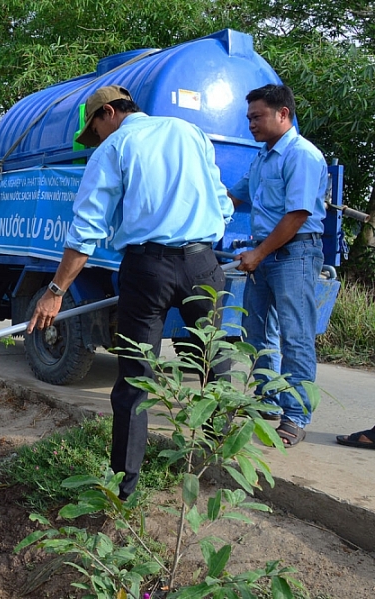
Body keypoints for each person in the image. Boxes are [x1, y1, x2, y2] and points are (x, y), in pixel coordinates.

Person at [26, 86, 234, 499]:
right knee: (214, 362)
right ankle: (215, 463)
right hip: (202, 264)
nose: (97, 139)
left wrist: (55, 290)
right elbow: (221, 201)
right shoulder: (188, 131)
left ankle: (126, 487)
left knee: (136, 377)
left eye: (95, 130)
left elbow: (86, 229)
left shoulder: (114, 147)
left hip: (148, 267)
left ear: (108, 113)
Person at [228, 84, 327, 448]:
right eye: (249, 117)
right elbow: (235, 196)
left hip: (294, 255)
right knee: (258, 333)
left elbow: (298, 214)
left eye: (257, 116)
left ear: (282, 114)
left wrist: (259, 253)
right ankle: (268, 401)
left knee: (295, 336)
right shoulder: (263, 157)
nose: (251, 124)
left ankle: (296, 415)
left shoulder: (301, 155)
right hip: (266, 256)